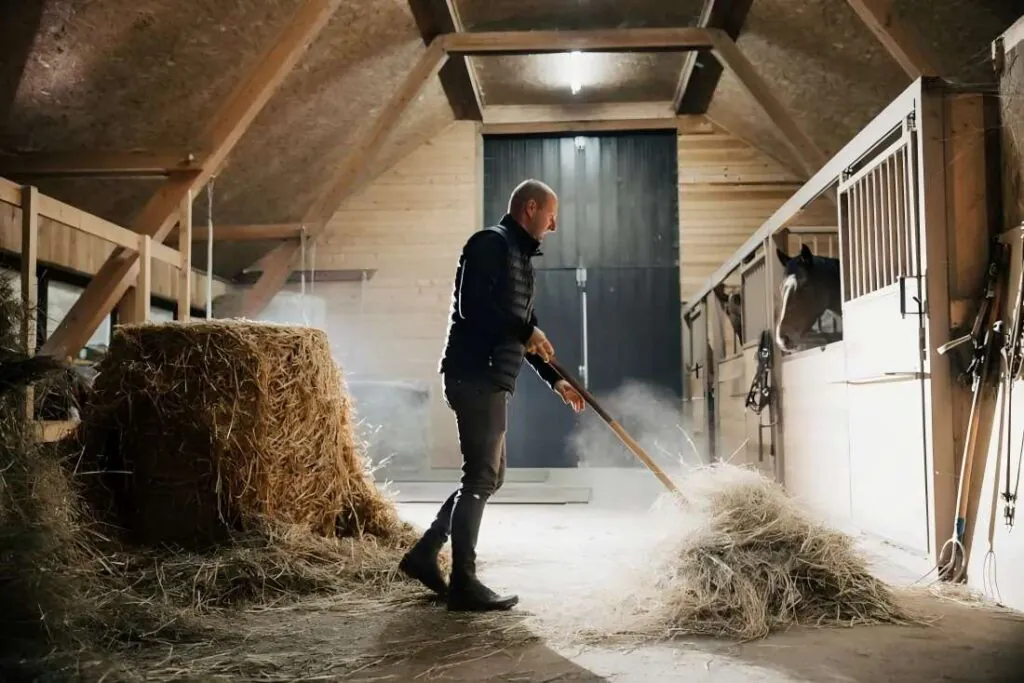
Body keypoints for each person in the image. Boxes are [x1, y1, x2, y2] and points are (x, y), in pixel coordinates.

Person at [398, 178, 586, 612]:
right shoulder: (490, 243)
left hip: (491, 377)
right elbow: (473, 307)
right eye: (551, 215)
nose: (554, 226)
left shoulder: (520, 259)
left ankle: (426, 553)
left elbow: (525, 332)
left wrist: (553, 378)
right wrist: (526, 330)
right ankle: (463, 581)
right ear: (531, 207)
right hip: (473, 373)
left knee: (487, 477)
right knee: (481, 478)